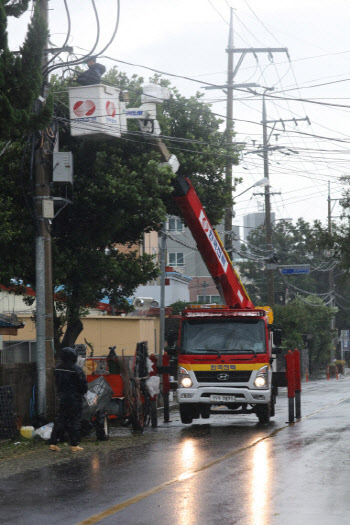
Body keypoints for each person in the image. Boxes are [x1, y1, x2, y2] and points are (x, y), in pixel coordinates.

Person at [49, 347, 88, 452]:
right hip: (74, 398)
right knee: (74, 420)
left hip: (62, 397)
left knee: (61, 419)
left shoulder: (57, 368)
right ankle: (74, 444)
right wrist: (81, 392)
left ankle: (53, 442)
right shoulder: (76, 369)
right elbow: (83, 386)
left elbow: (57, 382)